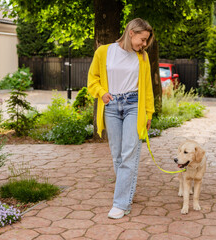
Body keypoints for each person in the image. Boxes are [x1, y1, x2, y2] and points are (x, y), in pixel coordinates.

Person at [87, 18, 155, 219]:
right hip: (111, 106)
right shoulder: (104, 52)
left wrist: (148, 113)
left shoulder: (142, 58)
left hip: (134, 105)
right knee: (117, 154)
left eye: (146, 41)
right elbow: (93, 79)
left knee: (128, 154)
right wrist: (101, 92)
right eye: (142, 39)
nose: (143, 45)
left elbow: (148, 88)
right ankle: (126, 191)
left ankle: (121, 202)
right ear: (131, 32)